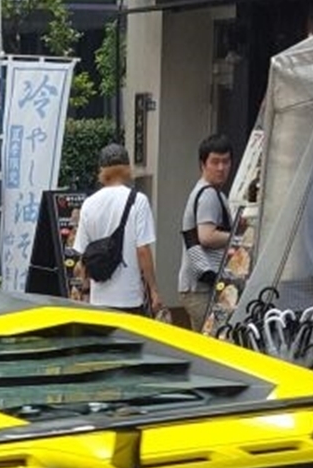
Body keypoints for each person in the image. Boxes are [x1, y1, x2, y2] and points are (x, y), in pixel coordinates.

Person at [72, 143, 162, 315]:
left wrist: (85, 292)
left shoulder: (89, 204)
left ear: (102, 171)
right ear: (127, 168)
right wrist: (153, 290)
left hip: (98, 300)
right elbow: (143, 250)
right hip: (130, 298)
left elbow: (83, 256)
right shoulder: (138, 200)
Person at [179, 134, 240, 331]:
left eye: (226, 161)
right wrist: (238, 239)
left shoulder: (212, 193)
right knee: (210, 342)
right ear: (203, 164)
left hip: (199, 287)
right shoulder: (208, 195)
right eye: (215, 162)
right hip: (201, 288)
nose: (221, 168)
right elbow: (206, 236)